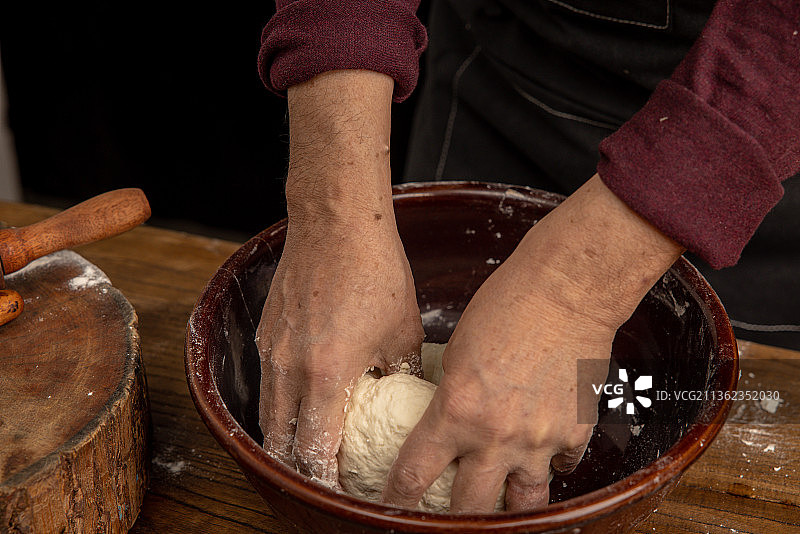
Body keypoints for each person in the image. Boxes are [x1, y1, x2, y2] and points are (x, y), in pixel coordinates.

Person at [255, 0, 800, 513]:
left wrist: (572, 294)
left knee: (722, 438)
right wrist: (333, 204)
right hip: (513, 71)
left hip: (755, 138)